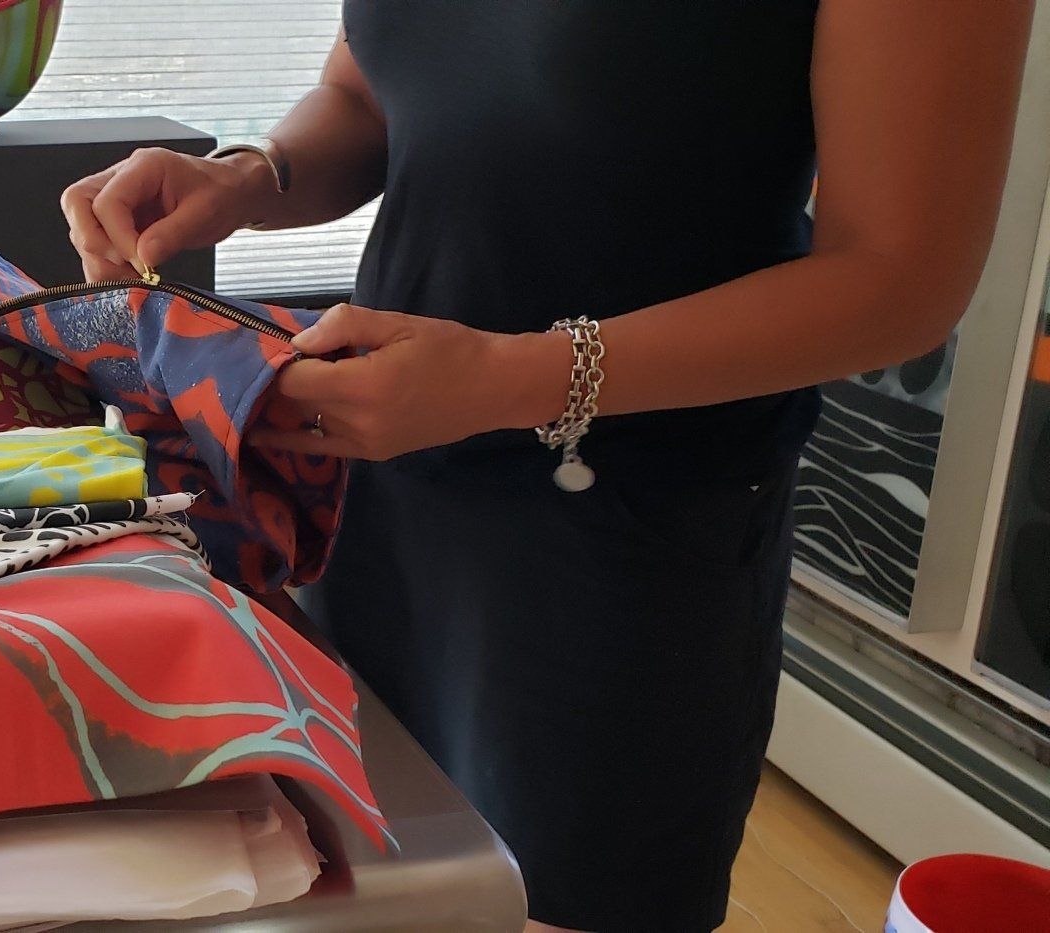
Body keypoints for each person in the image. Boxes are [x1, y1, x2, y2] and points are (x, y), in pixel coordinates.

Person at [60, 3, 1032, 930]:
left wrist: (511, 379)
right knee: (366, 878)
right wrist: (247, 176)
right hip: (389, 494)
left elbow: (903, 280)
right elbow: (368, 97)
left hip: (624, 542)